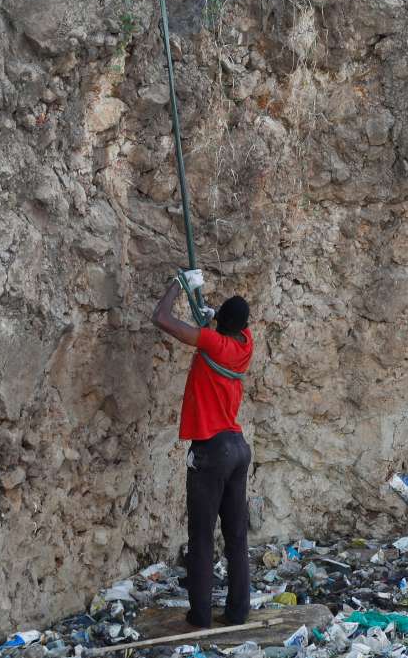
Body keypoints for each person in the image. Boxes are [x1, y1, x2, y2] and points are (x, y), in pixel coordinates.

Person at [151, 269, 254, 628]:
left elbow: (161, 319)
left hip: (212, 450)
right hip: (239, 449)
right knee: (237, 536)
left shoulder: (213, 344)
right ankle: (239, 612)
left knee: (201, 537)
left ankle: (200, 617)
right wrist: (209, 312)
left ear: (220, 326)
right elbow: (221, 323)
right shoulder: (244, 343)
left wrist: (178, 284)